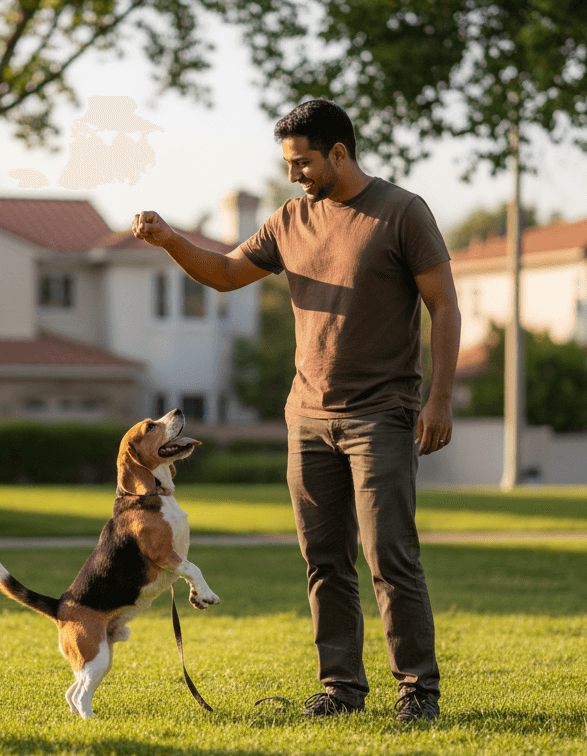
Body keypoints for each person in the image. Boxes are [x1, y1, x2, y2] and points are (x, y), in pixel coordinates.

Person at [131, 99, 460, 724]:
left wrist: (438, 398)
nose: (294, 175)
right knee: (323, 560)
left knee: (390, 554)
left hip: (380, 413)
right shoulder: (290, 219)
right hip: (307, 415)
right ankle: (340, 688)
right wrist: (173, 239)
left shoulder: (401, 212)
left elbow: (444, 305)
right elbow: (228, 275)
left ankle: (417, 691)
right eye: (288, 163)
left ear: (339, 152)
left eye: (303, 162)